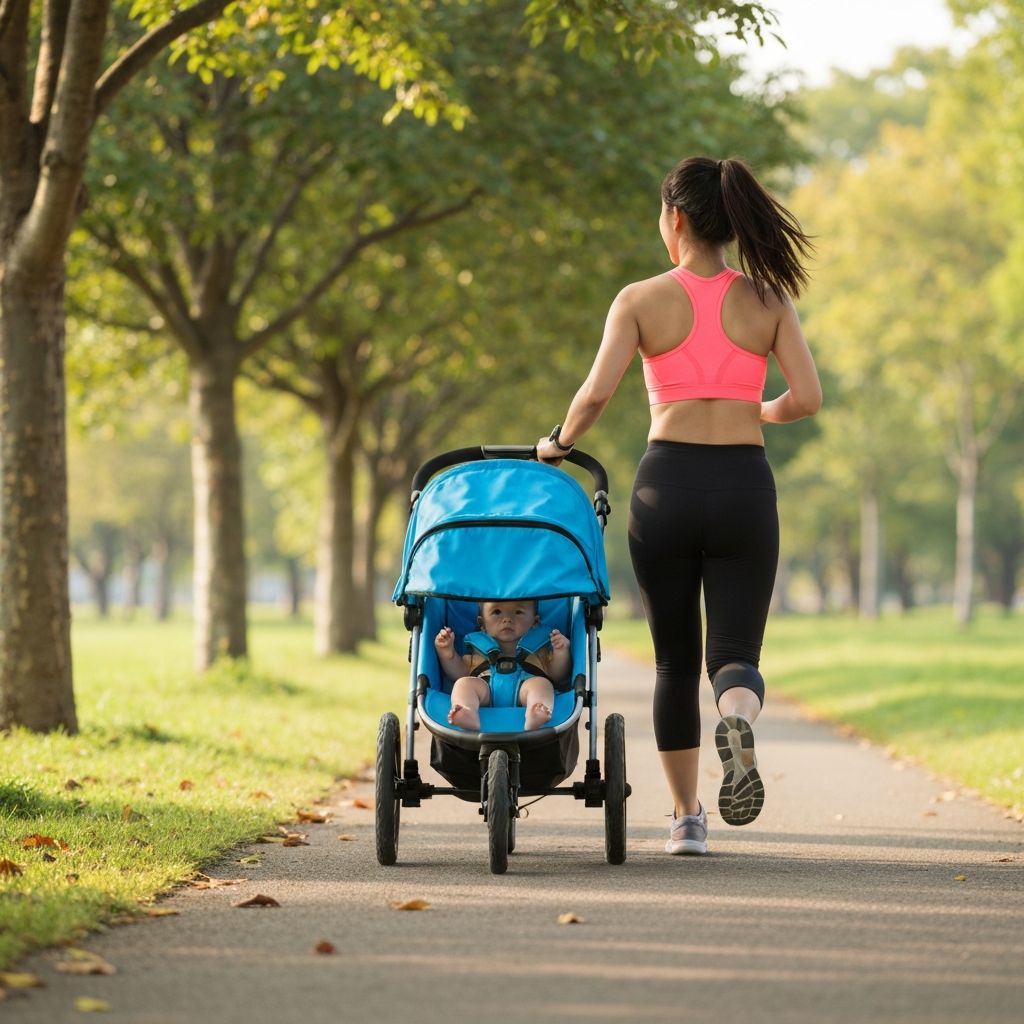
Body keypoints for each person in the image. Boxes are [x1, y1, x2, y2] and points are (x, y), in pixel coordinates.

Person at [537, 156, 821, 856]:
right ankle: (737, 715)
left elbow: (597, 394)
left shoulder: (639, 299)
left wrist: (558, 444)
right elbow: (808, 399)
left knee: (671, 662)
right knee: (732, 655)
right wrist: (754, 408)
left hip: (665, 486)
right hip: (745, 486)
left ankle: (686, 819)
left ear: (677, 218)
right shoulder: (769, 300)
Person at [434, 599, 571, 732]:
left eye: (518, 612)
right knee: (463, 683)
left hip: (525, 690)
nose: (507, 619)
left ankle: (536, 710)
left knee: (542, 684)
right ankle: (467, 711)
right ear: (482, 624)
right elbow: (458, 673)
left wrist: (561, 651)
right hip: (485, 691)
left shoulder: (540, 652)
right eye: (497, 612)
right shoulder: (477, 654)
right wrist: (447, 653)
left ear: (535, 622)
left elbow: (557, 675)